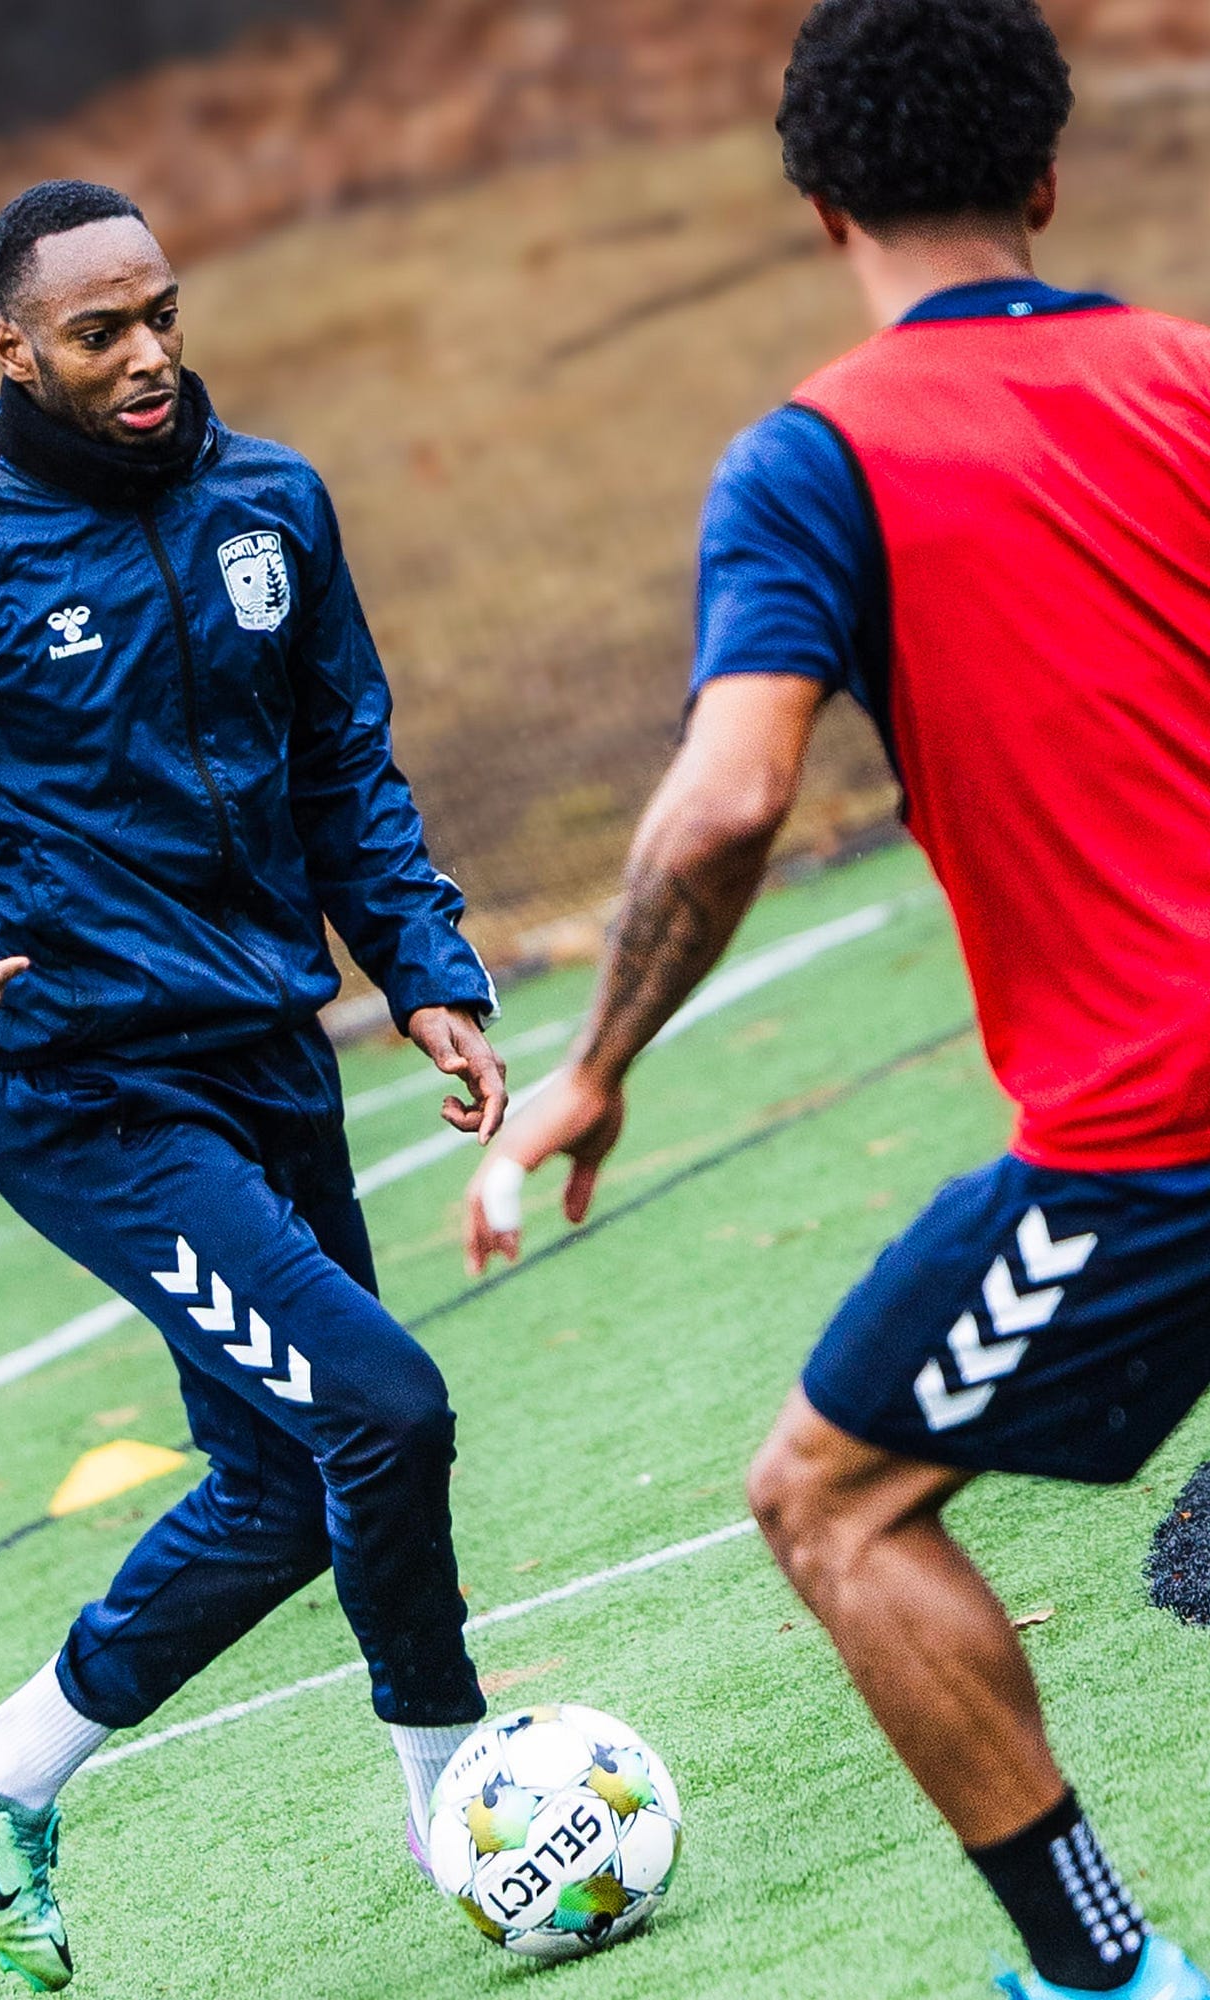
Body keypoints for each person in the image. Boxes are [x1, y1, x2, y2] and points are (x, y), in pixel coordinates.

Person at [0, 179, 507, 1992]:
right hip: (92, 1101)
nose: (145, 357)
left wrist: (427, 972)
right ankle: (462, 1803)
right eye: (97, 332)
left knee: (286, 1488)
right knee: (384, 1409)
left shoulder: (272, 503)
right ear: (13, 347)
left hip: (269, 1062)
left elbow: (344, 765)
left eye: (161, 315)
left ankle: (0, 1772)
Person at [463, 4, 1210, 1996]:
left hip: (1156, 1127)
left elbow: (725, 804)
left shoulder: (812, 460)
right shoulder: (1190, 376)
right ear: (1043, 178)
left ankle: (1100, 1973)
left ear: (818, 208)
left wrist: (594, 1064)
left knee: (831, 1500)